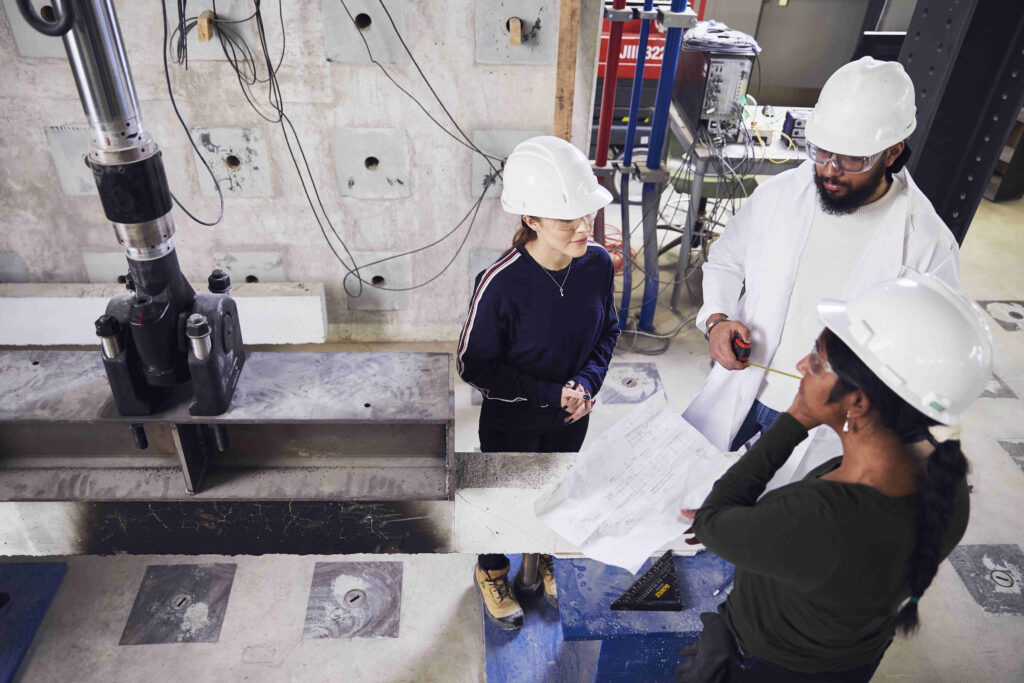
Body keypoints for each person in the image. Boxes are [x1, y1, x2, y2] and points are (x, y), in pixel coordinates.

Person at [677, 273, 993, 682]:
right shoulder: (947, 479)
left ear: (858, 402)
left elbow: (713, 519)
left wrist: (795, 419)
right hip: (849, 659)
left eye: (817, 360)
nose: (801, 367)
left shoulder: (821, 518)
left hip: (763, 666)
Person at [683, 57, 960, 489]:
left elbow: (931, 358)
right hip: (744, 384)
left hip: (829, 422)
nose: (829, 169)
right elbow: (726, 259)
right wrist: (717, 319)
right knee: (696, 494)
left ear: (893, 152)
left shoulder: (927, 244)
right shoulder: (781, 194)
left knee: (775, 530)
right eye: (821, 152)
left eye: (850, 159)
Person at [456, 135, 620, 629]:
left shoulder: (594, 264)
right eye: (567, 217)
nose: (582, 226)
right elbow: (473, 366)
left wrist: (587, 385)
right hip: (514, 419)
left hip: (573, 415)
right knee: (503, 501)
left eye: (586, 213)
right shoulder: (501, 284)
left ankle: (541, 553)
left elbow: (607, 330)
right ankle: (492, 569)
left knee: (555, 492)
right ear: (531, 219)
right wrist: (551, 393)